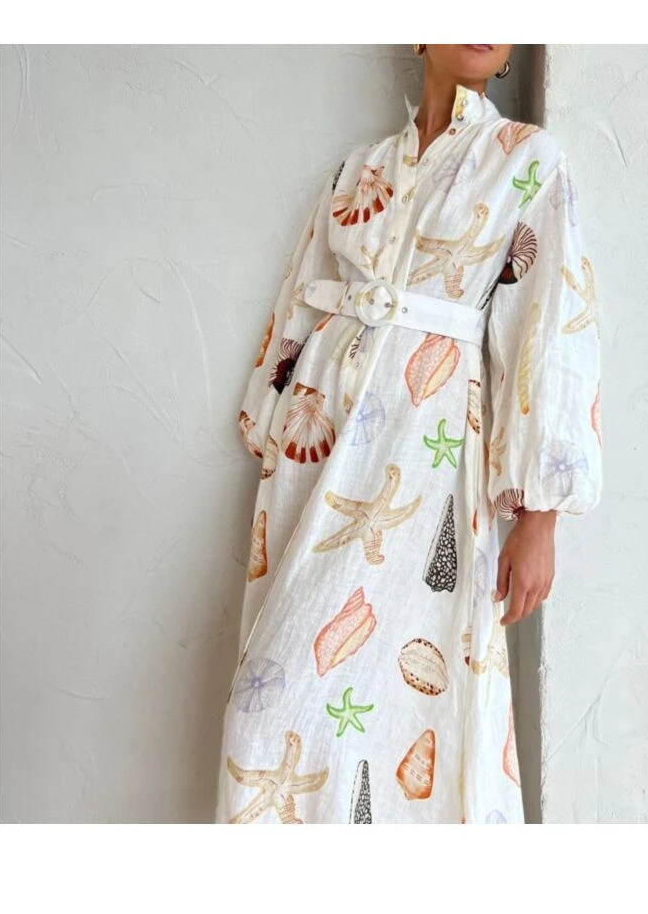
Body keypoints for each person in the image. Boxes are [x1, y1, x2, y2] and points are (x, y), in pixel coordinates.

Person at [216, 44, 602, 824]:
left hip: (429, 455)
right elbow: (302, 296)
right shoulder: (356, 170)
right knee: (266, 712)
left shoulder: (527, 158)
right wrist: (273, 422)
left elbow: (549, 328)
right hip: (316, 452)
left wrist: (542, 514)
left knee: (416, 703)